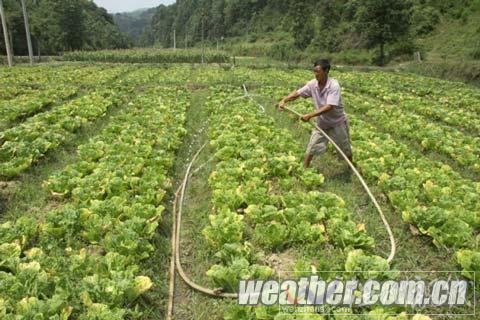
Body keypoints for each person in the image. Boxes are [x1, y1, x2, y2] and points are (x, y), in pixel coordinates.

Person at [277, 59, 353, 168]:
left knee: (344, 148)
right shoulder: (313, 84)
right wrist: (284, 100)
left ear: (326, 71)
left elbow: (329, 106)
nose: (316, 74)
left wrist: (310, 115)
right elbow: (298, 93)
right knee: (312, 146)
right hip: (322, 123)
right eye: (314, 71)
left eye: (318, 71)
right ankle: (305, 168)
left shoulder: (333, 86)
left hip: (337, 123)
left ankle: (351, 168)